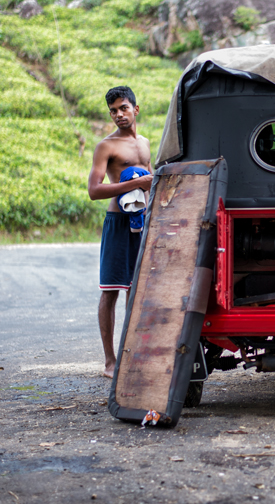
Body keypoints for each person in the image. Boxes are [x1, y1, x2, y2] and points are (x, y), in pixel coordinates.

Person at [87, 86, 153, 378]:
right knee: (112, 290)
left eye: (123, 108)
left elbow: (153, 183)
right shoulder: (107, 146)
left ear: (135, 109)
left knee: (137, 291)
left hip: (145, 221)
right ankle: (110, 362)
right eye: (113, 110)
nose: (118, 114)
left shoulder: (145, 143)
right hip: (118, 222)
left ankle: (132, 354)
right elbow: (94, 190)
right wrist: (135, 184)